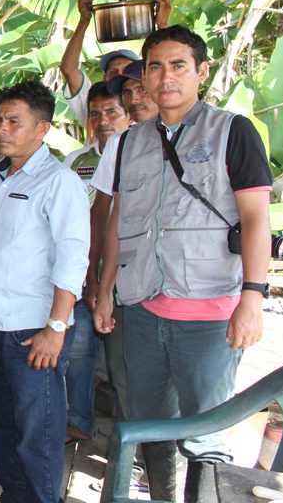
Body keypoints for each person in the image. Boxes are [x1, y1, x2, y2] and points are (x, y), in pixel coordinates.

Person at [97, 26, 271, 503]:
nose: (165, 76)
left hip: (210, 315)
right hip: (143, 310)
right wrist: (107, 290)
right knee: (148, 426)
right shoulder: (129, 142)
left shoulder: (232, 131)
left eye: (178, 65)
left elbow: (255, 219)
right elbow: (118, 221)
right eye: (155, 67)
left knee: (206, 433)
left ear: (202, 72)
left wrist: (252, 299)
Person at [0, 81, 89, 503]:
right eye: (0, 120)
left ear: (42, 129)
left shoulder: (59, 181)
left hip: (33, 332)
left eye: (14, 122)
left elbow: (72, 258)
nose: (2, 129)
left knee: (37, 436)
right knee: (1, 428)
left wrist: (56, 328)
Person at [87, 59, 158, 425]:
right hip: (126, 279)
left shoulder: (212, 134)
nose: (134, 99)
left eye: (141, 89)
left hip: (185, 286)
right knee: (125, 372)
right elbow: (103, 215)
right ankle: (134, 447)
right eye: (128, 92)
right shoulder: (121, 144)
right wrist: (98, 282)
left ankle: (168, 453)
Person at [61, 80, 131, 444]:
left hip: (128, 276)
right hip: (85, 270)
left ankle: (129, 434)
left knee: (125, 363)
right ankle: (79, 420)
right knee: (80, 352)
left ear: (128, 115)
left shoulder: (138, 153)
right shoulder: (76, 161)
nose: (103, 120)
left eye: (112, 112)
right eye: (95, 113)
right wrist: (89, 276)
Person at [58, 0, 170, 128]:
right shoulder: (95, 105)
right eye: (113, 72)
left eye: (127, 71)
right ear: (105, 78)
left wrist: (162, 25)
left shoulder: (151, 107)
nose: (121, 76)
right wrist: (84, 20)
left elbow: (167, 65)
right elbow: (69, 69)